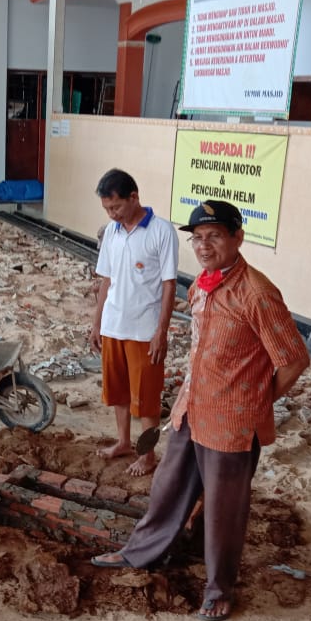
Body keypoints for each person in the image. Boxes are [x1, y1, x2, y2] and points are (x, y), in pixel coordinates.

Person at [91, 200, 310, 621]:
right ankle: (139, 554)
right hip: (191, 410)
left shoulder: (257, 294)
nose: (203, 245)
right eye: (197, 238)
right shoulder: (203, 285)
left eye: (214, 236)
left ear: (237, 238)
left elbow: (294, 359)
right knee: (168, 489)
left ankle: (218, 590)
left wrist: (255, 404)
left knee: (224, 513)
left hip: (231, 425)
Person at [90, 169, 180, 476]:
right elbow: (106, 281)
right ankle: (124, 442)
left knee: (147, 400)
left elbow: (170, 285)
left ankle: (147, 454)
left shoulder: (161, 231)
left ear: (134, 197)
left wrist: (161, 331)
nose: (112, 214)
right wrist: (96, 323)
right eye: (107, 209)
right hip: (114, 325)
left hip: (145, 331)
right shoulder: (112, 232)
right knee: (118, 393)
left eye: (115, 207)